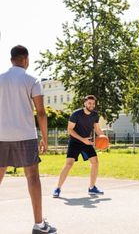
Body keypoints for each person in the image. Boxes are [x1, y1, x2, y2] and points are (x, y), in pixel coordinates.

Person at [0, 45, 57, 234]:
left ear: (11, 60)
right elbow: (41, 113)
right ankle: (39, 225)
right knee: (32, 177)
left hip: (1, 136)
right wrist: (45, 139)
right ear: (25, 59)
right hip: (25, 135)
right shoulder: (32, 80)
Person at [53, 95, 105, 198]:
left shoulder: (95, 115)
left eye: (93, 103)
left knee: (95, 162)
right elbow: (70, 130)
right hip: (75, 141)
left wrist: (103, 137)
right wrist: (83, 140)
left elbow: (97, 129)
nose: (91, 105)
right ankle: (57, 188)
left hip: (87, 142)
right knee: (69, 164)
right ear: (85, 103)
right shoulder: (76, 114)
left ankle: (92, 188)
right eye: (89, 103)